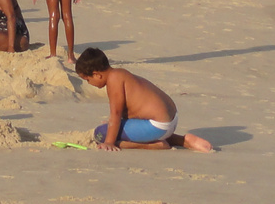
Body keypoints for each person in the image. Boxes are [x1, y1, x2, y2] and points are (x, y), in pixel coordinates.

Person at [75, 48, 213, 152]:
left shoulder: (113, 80)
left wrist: (110, 142)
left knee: (101, 133)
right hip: (171, 119)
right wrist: (119, 124)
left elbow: (115, 113)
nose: (88, 83)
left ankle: (155, 145)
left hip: (157, 126)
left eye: (87, 79)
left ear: (96, 74)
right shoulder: (121, 74)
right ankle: (182, 140)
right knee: (113, 127)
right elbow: (129, 110)